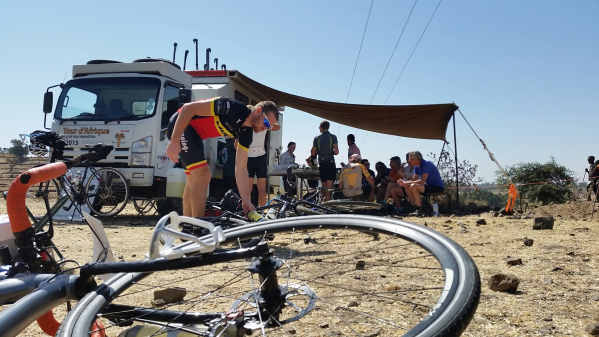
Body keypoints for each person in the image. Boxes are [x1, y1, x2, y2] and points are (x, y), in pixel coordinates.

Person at [166, 98, 280, 220]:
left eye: (269, 127)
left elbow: (241, 168)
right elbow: (188, 108)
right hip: (182, 123)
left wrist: (246, 200)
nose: (265, 129)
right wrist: (174, 141)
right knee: (202, 174)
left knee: (193, 179)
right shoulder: (232, 107)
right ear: (258, 111)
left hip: (195, 135)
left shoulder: (246, 134)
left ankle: (187, 225)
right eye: (266, 123)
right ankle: (197, 226)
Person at [247, 107, 281, 208]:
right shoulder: (247, 123)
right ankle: (247, 210)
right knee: (248, 189)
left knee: (262, 188)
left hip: (261, 157)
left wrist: (267, 125)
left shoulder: (264, 122)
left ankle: (261, 210)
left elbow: (277, 126)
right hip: (249, 157)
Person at [311, 121, 339, 201]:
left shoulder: (317, 138)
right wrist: (332, 151)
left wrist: (314, 159)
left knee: (324, 186)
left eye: (319, 127)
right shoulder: (333, 137)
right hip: (330, 163)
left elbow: (313, 152)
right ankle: (328, 206)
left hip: (322, 164)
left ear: (321, 127)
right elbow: (336, 152)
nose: (318, 128)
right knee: (329, 188)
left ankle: (323, 205)